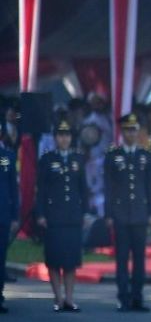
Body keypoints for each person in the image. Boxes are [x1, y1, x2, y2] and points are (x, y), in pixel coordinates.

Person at [105, 114, 151, 312]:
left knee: (139, 259)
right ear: (122, 132)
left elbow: (149, 187)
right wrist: (108, 214)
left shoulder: (145, 155)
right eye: (127, 130)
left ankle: (137, 297)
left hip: (140, 213)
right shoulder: (113, 155)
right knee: (122, 258)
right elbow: (109, 187)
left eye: (134, 130)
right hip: (120, 213)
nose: (131, 134)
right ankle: (123, 297)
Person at [36, 120, 90, 312]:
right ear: (55, 138)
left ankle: (69, 298)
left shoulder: (78, 159)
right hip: (54, 216)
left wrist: (85, 212)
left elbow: (83, 189)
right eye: (60, 135)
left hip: (72, 215)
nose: (64, 139)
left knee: (70, 260)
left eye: (67, 135)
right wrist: (40, 213)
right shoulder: (47, 160)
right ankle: (57, 298)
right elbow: (41, 190)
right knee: (54, 258)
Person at [0, 139, 17, 313]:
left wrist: (15, 216)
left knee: (1, 257)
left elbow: (14, 189)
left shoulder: (8, 156)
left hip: (2, 215)